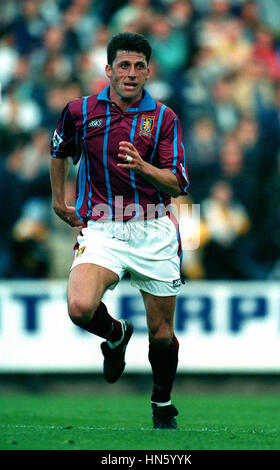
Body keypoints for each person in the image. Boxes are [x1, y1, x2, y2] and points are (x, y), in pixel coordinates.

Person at [50, 32, 189, 429]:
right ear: (108, 69)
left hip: (154, 228)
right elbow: (58, 149)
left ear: (149, 71)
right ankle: (115, 334)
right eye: (123, 66)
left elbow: (178, 182)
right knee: (79, 308)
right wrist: (59, 200)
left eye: (139, 66)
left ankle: (161, 402)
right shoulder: (80, 111)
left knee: (162, 336)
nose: (131, 74)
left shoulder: (164, 118)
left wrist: (143, 168)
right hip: (103, 226)